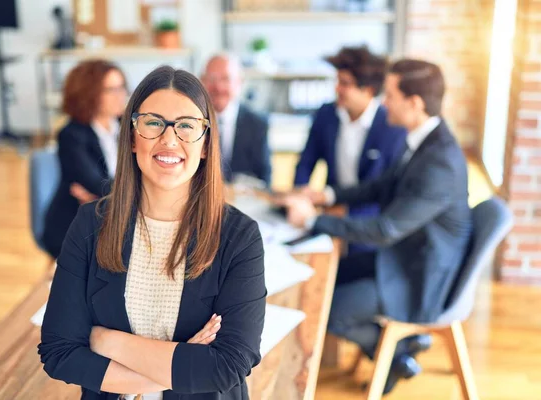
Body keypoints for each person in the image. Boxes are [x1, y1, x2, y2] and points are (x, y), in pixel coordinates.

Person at [38, 65, 267, 400]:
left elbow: (227, 367)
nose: (169, 139)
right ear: (132, 137)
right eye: (153, 123)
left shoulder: (240, 236)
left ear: (205, 145)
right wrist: (179, 366)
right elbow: (59, 353)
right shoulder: (91, 223)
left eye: (187, 126)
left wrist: (107, 341)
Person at [283, 59, 472, 394]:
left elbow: (385, 229)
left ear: (414, 103)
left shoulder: (439, 161)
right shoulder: (423, 140)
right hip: (403, 257)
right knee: (324, 280)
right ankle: (397, 350)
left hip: (419, 276)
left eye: (392, 95)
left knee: (329, 310)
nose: (384, 102)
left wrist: (313, 220)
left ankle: (397, 354)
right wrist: (325, 194)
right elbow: (380, 187)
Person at [294, 46, 406, 254]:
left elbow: (383, 192)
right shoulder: (326, 114)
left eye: (345, 84)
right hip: (328, 206)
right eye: (337, 81)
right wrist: (300, 194)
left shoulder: (391, 128)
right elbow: (306, 161)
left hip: (366, 224)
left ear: (368, 90)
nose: (337, 89)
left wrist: (345, 211)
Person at [42, 59, 128, 259]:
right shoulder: (71, 135)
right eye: (111, 90)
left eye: (122, 87)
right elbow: (99, 185)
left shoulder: (127, 125)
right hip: (75, 225)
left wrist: (103, 199)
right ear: (89, 93)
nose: (121, 96)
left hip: (114, 219)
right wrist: (114, 194)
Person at [201, 53, 272, 186]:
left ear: (239, 82)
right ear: (201, 81)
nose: (218, 87)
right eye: (211, 79)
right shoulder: (192, 121)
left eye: (225, 79)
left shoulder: (257, 123)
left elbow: (264, 180)